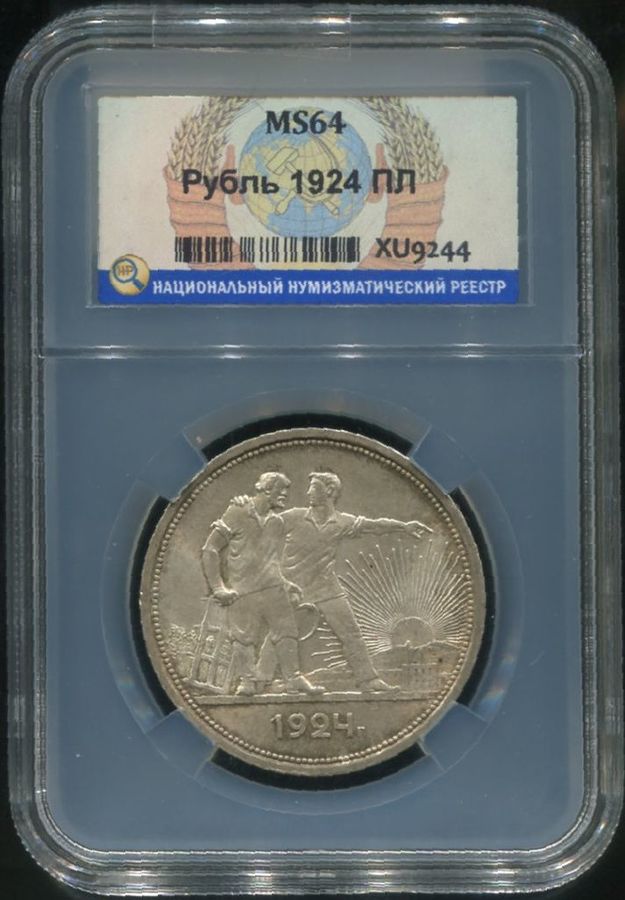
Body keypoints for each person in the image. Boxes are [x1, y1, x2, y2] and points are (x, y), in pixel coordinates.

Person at [273, 470, 430, 692]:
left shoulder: (341, 522)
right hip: (292, 588)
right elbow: (262, 527)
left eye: (314, 487)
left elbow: (374, 525)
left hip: (326, 588)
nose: (308, 492)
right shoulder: (294, 516)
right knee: (280, 634)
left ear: (329, 491)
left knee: (351, 633)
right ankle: (259, 681)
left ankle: (368, 680)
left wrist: (403, 527)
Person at [201, 472, 322, 696]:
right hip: (243, 591)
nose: (285, 495)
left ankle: (293, 679)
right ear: (267, 489)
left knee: (287, 632)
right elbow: (210, 549)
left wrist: (285, 583)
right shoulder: (237, 511)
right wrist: (218, 587)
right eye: (281, 490)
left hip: (274, 589)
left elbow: (269, 561)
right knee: (243, 637)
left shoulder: (276, 522)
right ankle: (247, 681)